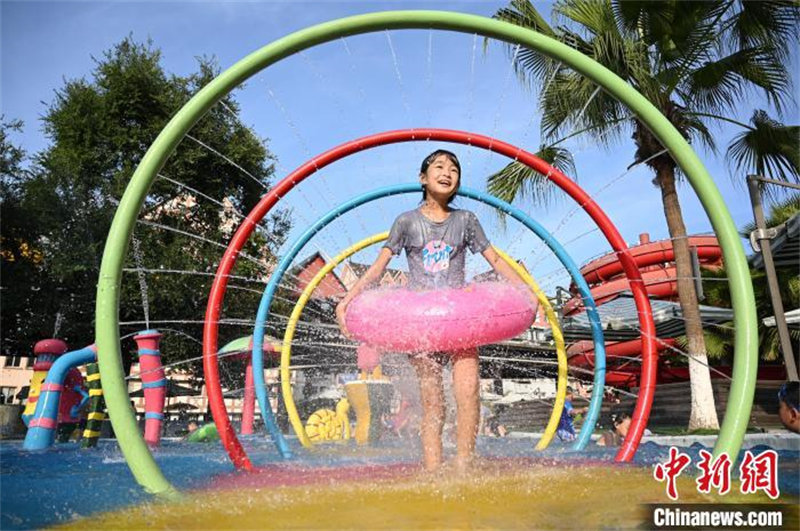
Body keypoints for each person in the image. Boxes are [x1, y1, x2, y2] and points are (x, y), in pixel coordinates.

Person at [336, 149, 527, 471]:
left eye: (454, 169)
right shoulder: (407, 222)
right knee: (432, 401)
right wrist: (347, 299)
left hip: (459, 319)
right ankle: (433, 469)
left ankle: (464, 466)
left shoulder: (466, 220)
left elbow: (494, 259)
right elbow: (379, 267)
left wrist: (526, 291)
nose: (447, 172)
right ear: (423, 178)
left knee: (468, 395)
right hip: (420, 323)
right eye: (439, 166)